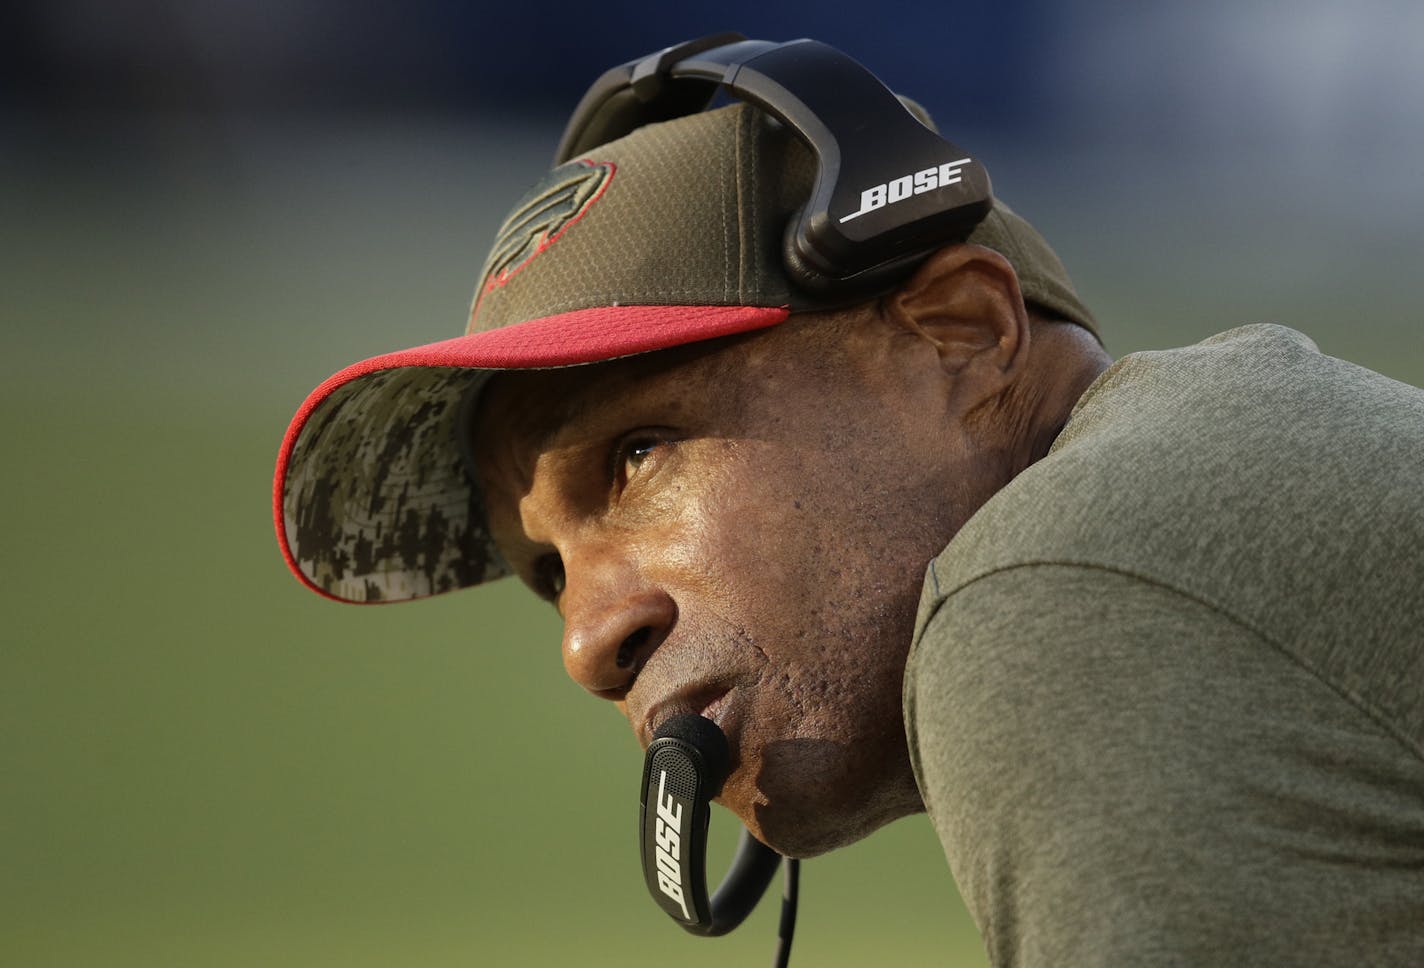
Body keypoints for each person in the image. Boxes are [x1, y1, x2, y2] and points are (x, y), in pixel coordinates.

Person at [274, 38, 1424, 966]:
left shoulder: (1060, 586)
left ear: (959, 332)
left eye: (634, 457)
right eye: (549, 574)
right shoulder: (1213, 489)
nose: (585, 642)